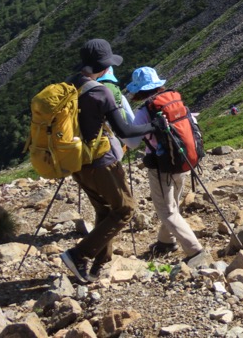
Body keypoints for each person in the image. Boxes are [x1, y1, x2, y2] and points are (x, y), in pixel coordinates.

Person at [60, 39, 166, 284]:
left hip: (77, 161)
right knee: (125, 209)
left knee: (105, 209)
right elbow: (125, 130)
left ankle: (99, 262)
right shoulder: (100, 91)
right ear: (104, 65)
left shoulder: (69, 84)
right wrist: (154, 125)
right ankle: (79, 254)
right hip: (101, 161)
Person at [126, 67, 204, 262]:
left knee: (166, 210)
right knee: (173, 204)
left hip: (161, 165)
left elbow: (134, 140)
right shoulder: (174, 100)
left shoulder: (146, 110)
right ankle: (166, 241)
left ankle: (195, 250)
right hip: (182, 159)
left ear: (140, 90)